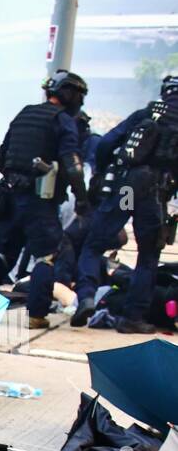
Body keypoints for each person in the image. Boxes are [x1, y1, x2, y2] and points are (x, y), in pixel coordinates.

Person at [0, 70, 91, 330]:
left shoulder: (25, 113)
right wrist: (83, 199)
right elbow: (73, 166)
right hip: (39, 201)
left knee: (2, 254)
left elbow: (1, 159)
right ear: (71, 94)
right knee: (45, 257)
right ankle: (35, 315)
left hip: (7, 196)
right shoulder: (63, 121)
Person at [70, 74, 178, 333]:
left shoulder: (148, 112)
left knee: (95, 244)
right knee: (148, 255)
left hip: (129, 188)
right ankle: (132, 318)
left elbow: (107, 142)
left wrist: (103, 171)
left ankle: (85, 296)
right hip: (153, 194)